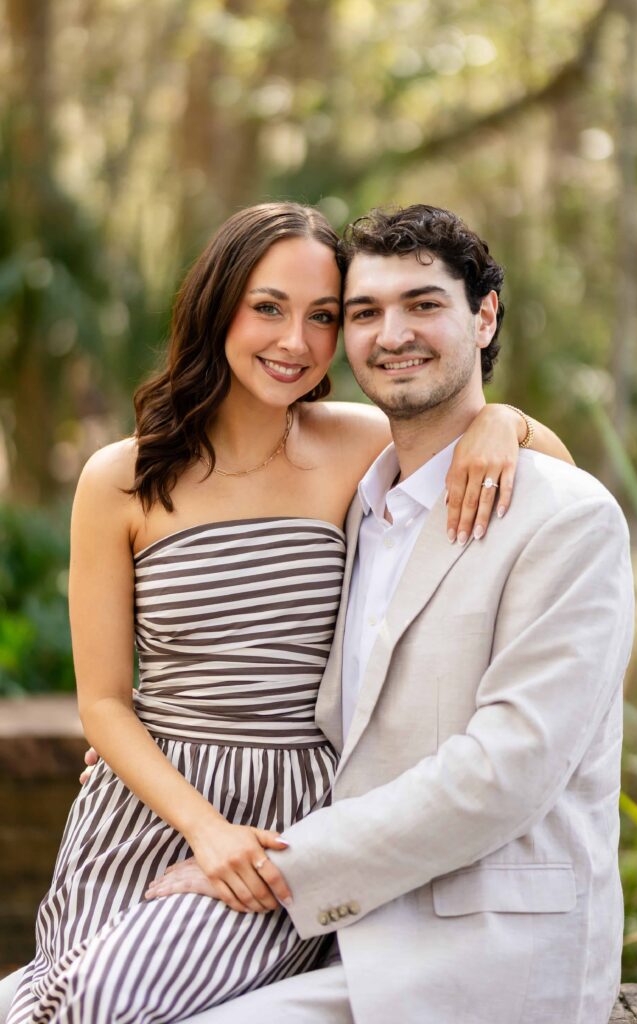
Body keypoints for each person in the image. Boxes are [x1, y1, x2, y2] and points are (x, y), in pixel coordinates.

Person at [1, 202, 572, 1024]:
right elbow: (101, 702)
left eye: (323, 318)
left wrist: (500, 423)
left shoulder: (361, 441)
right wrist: (202, 827)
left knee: (100, 995)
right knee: (67, 993)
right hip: (142, 812)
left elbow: (559, 479)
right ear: (217, 305)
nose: (294, 342)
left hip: (290, 817)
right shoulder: (118, 478)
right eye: (268, 307)